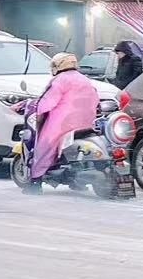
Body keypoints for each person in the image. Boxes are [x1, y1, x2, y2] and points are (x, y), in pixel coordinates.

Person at [25, 53, 100, 191]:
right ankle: (76, 181)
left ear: (57, 66)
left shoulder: (59, 81)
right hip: (87, 122)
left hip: (63, 124)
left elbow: (46, 103)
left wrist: (38, 112)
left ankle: (35, 181)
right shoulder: (85, 80)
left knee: (44, 146)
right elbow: (95, 99)